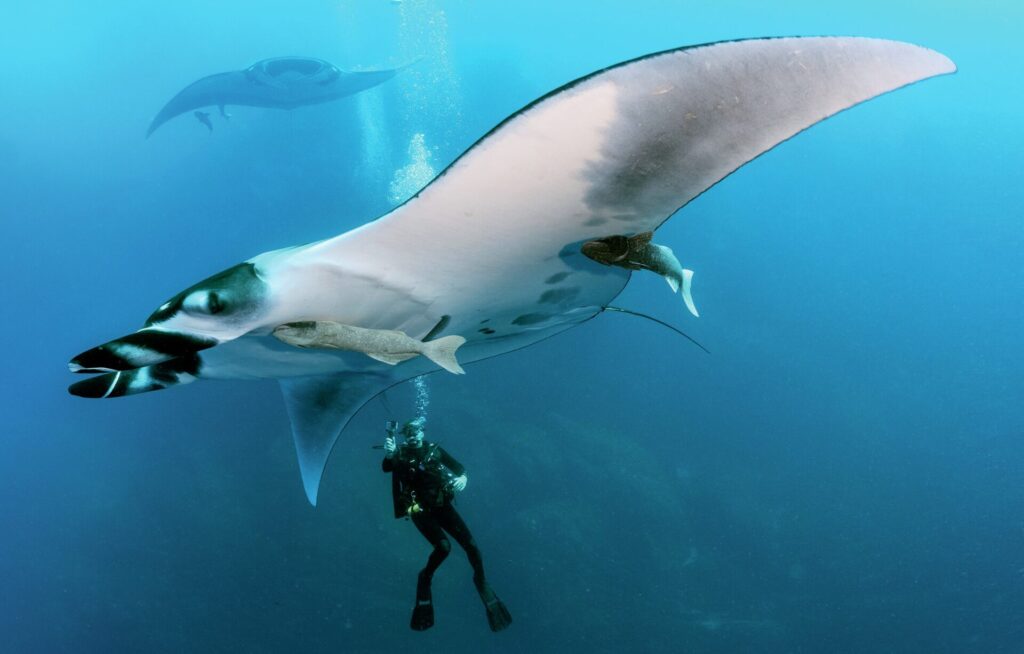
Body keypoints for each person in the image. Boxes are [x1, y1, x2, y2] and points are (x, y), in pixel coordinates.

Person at [383, 418, 512, 632]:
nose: (413, 436)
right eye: (409, 433)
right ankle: (425, 577)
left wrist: (463, 479)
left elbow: (460, 468)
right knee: (444, 548)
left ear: (423, 432)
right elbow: (387, 466)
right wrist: (390, 452)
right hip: (421, 512)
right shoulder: (400, 454)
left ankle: (480, 581)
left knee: (473, 549)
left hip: (442, 507)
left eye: (416, 431)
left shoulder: (434, 451)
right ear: (404, 436)